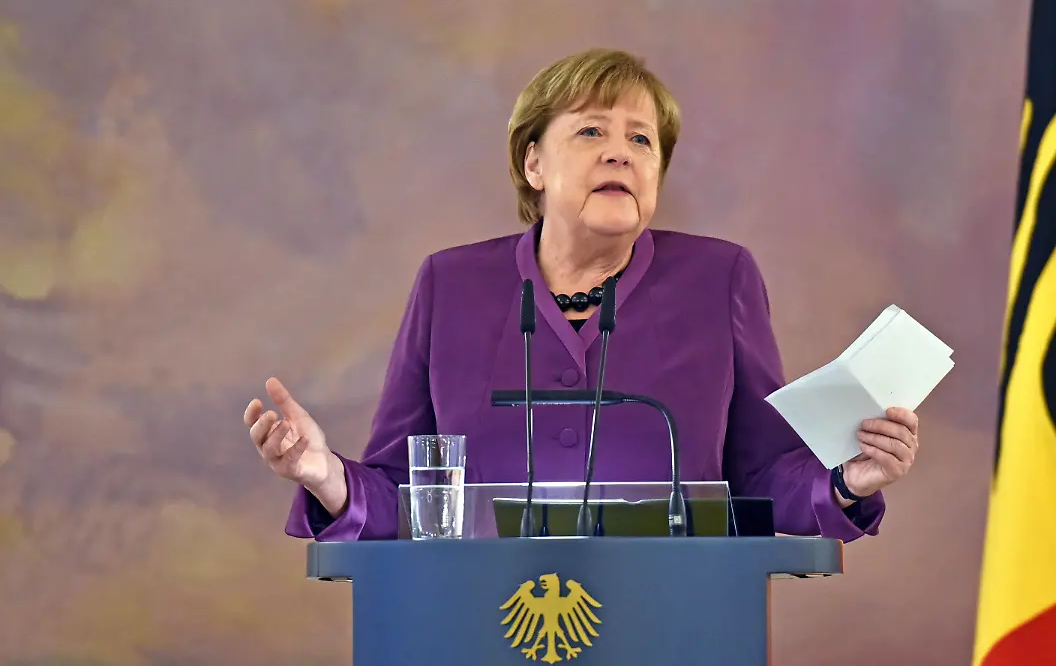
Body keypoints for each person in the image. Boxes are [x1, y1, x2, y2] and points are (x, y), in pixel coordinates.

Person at [243, 47, 920, 543]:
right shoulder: (449, 284)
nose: (620, 152)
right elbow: (411, 494)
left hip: (674, 623)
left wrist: (845, 479)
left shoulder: (722, 279)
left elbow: (761, 478)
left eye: (642, 139)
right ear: (532, 161)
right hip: (480, 624)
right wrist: (323, 471)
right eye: (592, 130)